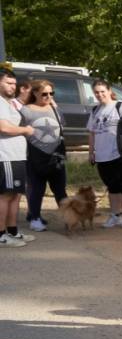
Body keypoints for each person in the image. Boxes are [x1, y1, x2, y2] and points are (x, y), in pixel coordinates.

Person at [86, 80, 122, 229]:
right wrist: (91, 152)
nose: (100, 94)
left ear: (109, 91)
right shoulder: (95, 110)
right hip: (102, 156)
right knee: (112, 186)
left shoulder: (121, 107)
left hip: (121, 154)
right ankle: (115, 215)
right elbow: (91, 132)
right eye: (96, 92)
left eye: (102, 91)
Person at [19, 79, 69, 233]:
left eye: (51, 93)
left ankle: (68, 218)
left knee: (60, 189)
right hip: (36, 156)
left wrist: (56, 108)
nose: (48, 96)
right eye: (44, 93)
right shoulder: (25, 110)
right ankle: (35, 218)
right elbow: (20, 131)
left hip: (56, 156)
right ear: (34, 93)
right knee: (37, 189)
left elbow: (62, 126)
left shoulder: (54, 108)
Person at [0, 69, 36, 247]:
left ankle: (12, 231)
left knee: (15, 195)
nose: (12, 87)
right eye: (8, 83)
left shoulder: (9, 103)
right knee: (5, 196)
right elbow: (4, 127)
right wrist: (26, 130)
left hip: (17, 156)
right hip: (5, 156)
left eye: (14, 83)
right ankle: (0, 235)